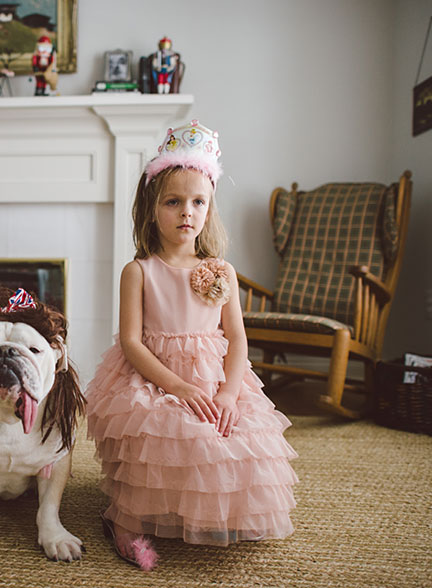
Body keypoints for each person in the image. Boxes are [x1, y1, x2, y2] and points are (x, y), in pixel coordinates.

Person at [85, 120, 298, 571]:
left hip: (215, 376)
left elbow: (237, 339)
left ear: (209, 209)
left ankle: (202, 504)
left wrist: (226, 391)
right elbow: (131, 341)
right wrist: (179, 388)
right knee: (159, 429)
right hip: (155, 374)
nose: (187, 211)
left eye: (198, 202)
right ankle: (125, 519)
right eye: (173, 201)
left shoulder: (221, 270)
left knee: (233, 437)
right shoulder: (139, 271)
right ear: (152, 209)